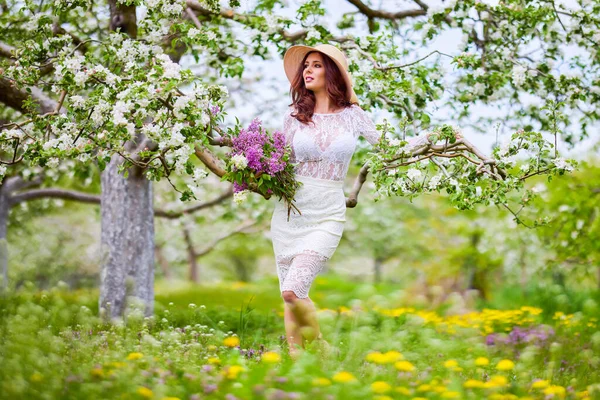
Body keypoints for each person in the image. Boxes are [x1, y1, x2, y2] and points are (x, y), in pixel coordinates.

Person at [270, 44, 459, 358]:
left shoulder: (352, 116)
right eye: (306, 65)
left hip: (328, 211)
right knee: (290, 294)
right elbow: (276, 162)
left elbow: (391, 148)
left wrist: (430, 136)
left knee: (293, 289)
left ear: (332, 73)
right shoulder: (294, 118)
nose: (308, 70)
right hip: (291, 211)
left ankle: (316, 347)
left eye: (316, 65)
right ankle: (296, 359)